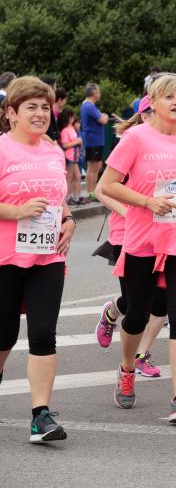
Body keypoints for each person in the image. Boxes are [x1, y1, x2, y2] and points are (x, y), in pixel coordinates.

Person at [97, 73, 176, 423]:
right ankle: (127, 367)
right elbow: (108, 185)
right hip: (142, 238)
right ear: (153, 101)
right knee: (137, 313)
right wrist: (147, 202)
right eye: (170, 97)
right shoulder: (136, 138)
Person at [0, 76, 76, 443]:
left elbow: (57, 199)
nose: (41, 113)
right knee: (2, 335)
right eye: (31, 106)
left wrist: (69, 220)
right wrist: (13, 211)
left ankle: (40, 415)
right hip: (5, 257)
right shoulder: (1, 149)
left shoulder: (52, 152)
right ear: (11, 113)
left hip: (47, 257)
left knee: (44, 332)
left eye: (45, 107)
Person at [93, 96, 166, 379]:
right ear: (142, 114)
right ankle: (112, 313)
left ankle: (140, 355)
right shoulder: (130, 141)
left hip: (161, 231)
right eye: (148, 112)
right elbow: (101, 189)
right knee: (137, 303)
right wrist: (127, 209)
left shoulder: (170, 145)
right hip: (128, 232)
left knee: (162, 301)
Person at [80, 83, 110, 202]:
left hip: (96, 140)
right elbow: (103, 120)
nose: (99, 93)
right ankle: (90, 192)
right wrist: (105, 116)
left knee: (97, 165)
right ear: (94, 93)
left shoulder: (89, 105)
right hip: (93, 140)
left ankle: (94, 191)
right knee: (92, 167)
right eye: (98, 91)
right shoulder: (89, 106)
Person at [57, 107, 86, 206]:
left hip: (75, 157)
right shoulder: (65, 130)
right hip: (69, 157)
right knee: (69, 177)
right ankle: (67, 198)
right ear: (70, 118)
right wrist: (77, 142)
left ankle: (76, 196)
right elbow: (64, 145)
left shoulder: (71, 129)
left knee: (77, 177)